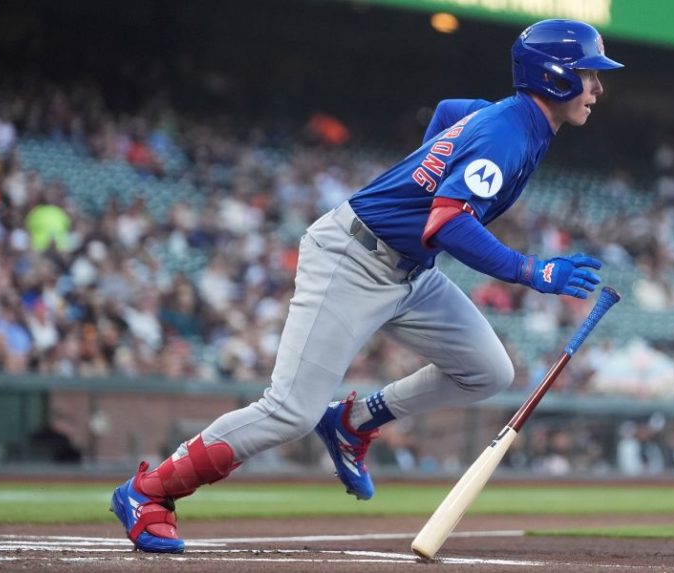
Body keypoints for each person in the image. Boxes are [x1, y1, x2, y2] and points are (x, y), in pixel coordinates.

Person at [110, 19, 623, 553]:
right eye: (590, 74)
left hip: (409, 270)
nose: (598, 87)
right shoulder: (511, 131)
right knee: (289, 412)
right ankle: (148, 492)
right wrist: (533, 271)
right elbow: (447, 223)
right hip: (355, 257)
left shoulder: (519, 122)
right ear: (557, 76)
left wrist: (424, 173)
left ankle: (353, 422)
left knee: (488, 370)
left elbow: (449, 111)